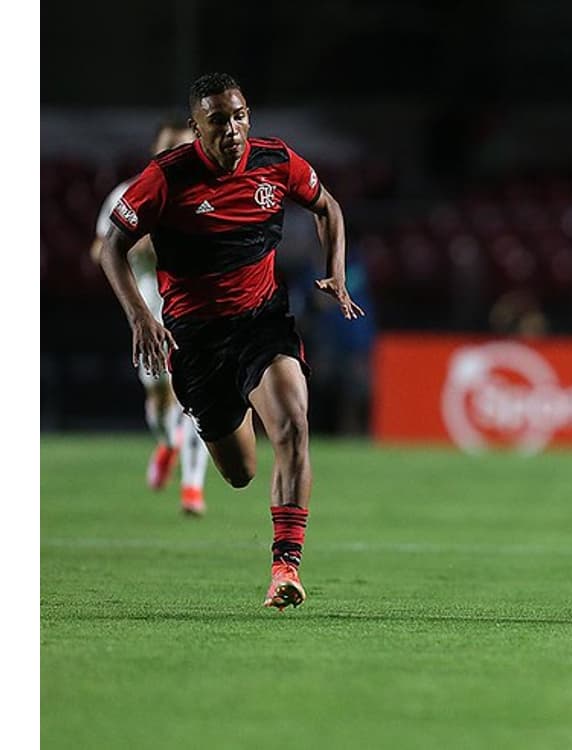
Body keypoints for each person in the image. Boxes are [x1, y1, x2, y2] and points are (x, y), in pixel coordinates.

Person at [98, 73, 365, 609]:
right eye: (218, 119)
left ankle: (285, 568)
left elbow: (327, 207)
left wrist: (334, 271)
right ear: (196, 128)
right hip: (197, 339)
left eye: (240, 115)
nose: (233, 128)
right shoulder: (165, 178)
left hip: (263, 321)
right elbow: (112, 247)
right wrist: (139, 318)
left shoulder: (276, 161)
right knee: (241, 472)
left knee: (292, 425)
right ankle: (216, 419)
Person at [90, 120, 210, 516]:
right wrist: (132, 247)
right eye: (171, 148)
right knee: (160, 395)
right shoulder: (127, 195)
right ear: (157, 151)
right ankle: (167, 441)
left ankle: (192, 489)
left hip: (197, 304)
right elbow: (99, 249)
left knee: (197, 394)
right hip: (148, 309)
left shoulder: (211, 193)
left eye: (186, 148)